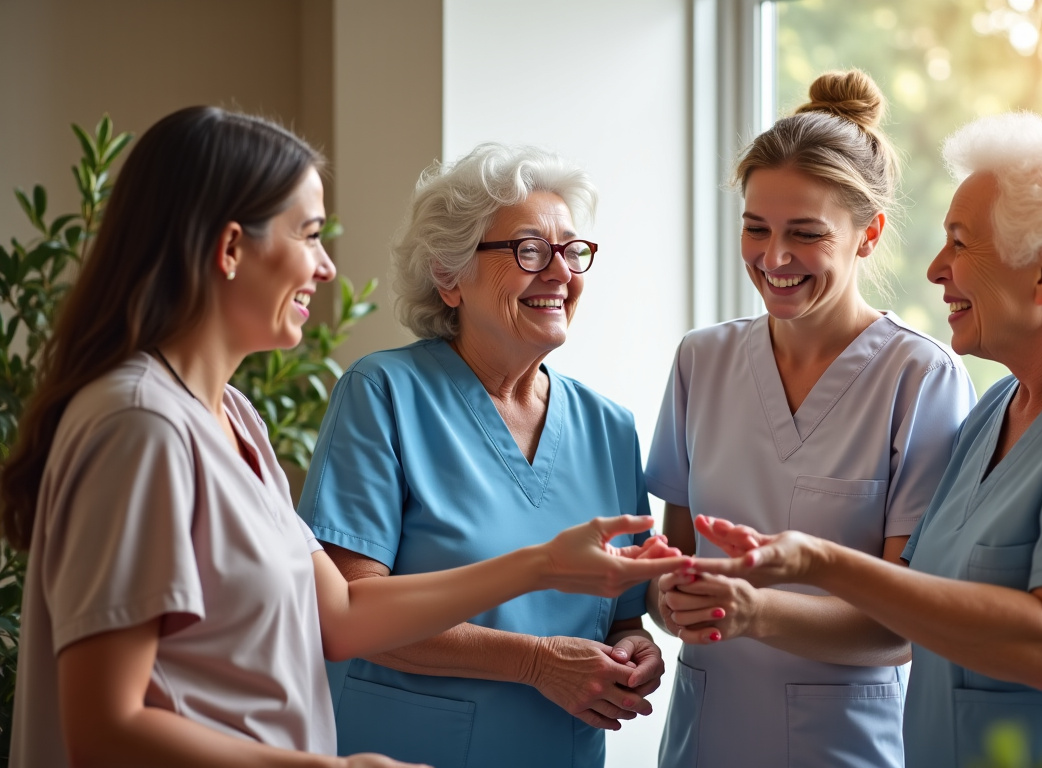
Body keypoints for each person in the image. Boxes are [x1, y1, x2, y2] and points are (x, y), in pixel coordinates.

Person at [0, 106, 688, 768]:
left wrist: (543, 565)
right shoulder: (140, 427)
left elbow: (342, 617)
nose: (327, 267)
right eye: (309, 235)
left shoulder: (234, 418)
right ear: (232, 247)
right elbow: (100, 729)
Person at [690, 112, 1042, 766]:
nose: (935, 269)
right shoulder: (996, 411)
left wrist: (818, 563)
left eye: (960, 243)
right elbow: (923, 605)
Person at [294, 143, 667, 768]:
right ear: (449, 275)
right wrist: (535, 663)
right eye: (528, 250)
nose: (560, 273)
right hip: (408, 753)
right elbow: (348, 614)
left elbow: (622, 617)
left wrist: (635, 650)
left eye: (572, 252)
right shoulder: (384, 394)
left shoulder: (610, 428)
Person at [644, 70, 977, 768]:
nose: (774, 258)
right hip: (703, 739)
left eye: (805, 234)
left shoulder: (920, 378)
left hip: (845, 747)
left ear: (869, 234)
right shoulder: (700, 361)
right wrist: (664, 600)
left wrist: (754, 612)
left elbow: (908, 626)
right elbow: (672, 564)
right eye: (756, 229)